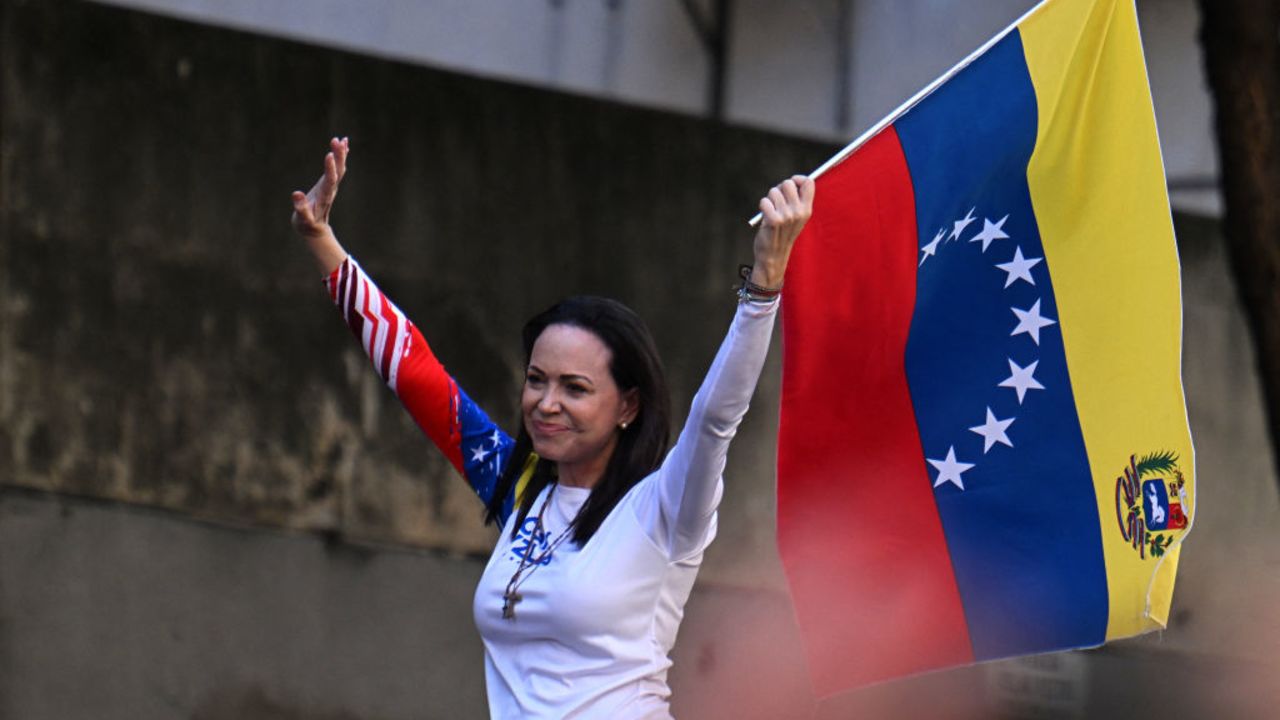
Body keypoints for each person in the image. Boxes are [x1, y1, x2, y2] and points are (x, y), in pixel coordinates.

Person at [290, 137, 814, 718]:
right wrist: (320, 238)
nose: (545, 403)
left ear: (628, 406)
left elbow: (716, 419)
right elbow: (417, 374)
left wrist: (763, 286)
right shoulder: (518, 486)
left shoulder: (664, 506)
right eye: (537, 379)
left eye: (576, 388)